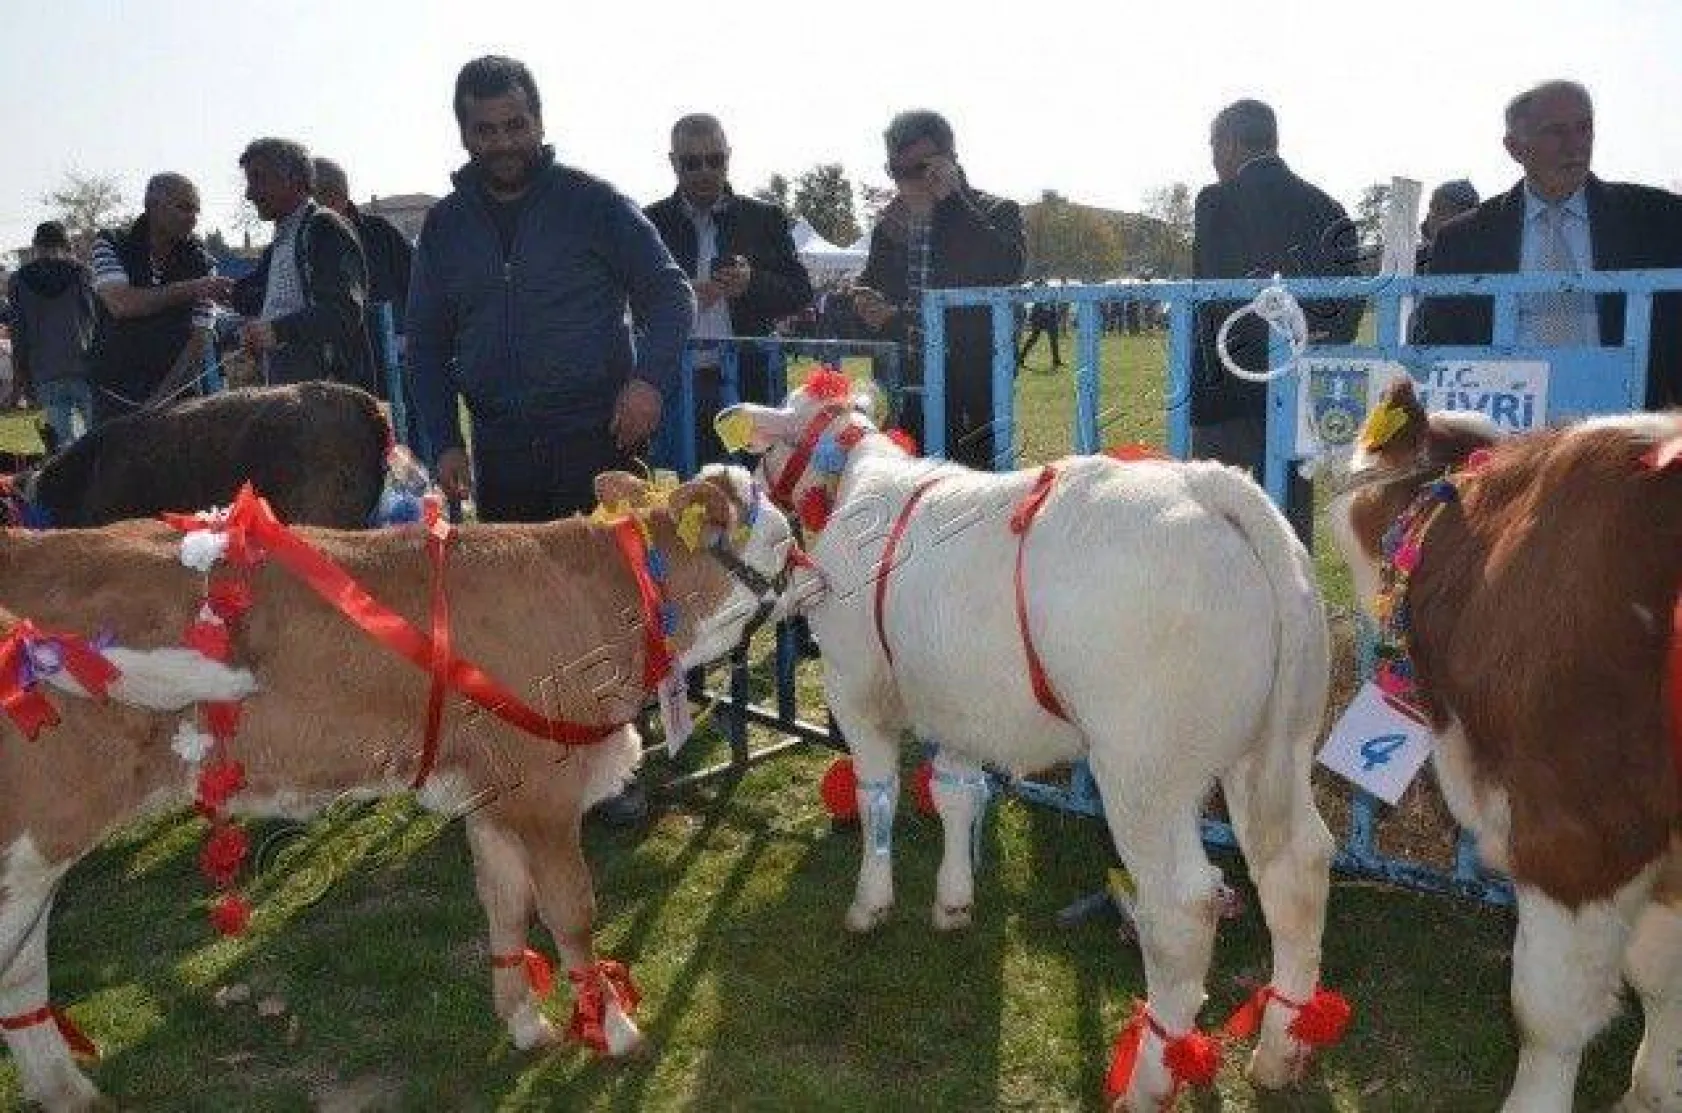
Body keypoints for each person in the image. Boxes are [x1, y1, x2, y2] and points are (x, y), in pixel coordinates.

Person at [405, 57, 692, 824]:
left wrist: (649, 384)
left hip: (596, 436)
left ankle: (615, 774)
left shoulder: (593, 204)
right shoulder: (445, 225)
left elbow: (668, 293)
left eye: (515, 125)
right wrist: (442, 440)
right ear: (463, 131)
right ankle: (529, 763)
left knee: (607, 608)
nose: (502, 142)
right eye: (485, 129)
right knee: (515, 613)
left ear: (538, 121)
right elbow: (426, 346)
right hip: (500, 445)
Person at [1414, 80, 1682, 410]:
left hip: (1627, 434)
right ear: (1514, 148)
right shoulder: (1463, 240)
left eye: (1584, 128)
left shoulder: (1661, 219)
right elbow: (1443, 346)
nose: (1575, 146)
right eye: (1555, 132)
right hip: (1509, 434)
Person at [1191, 98, 1362, 544]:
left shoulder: (1216, 201)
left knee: (1217, 527)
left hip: (1227, 390)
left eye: (1212, 145)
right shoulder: (1329, 207)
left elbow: (1215, 294)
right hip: (1296, 386)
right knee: (1287, 523)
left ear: (1228, 144)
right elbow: (1347, 307)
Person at [850, 110, 1025, 470]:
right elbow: (873, 287)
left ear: (951, 160)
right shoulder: (892, 225)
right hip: (909, 387)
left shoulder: (996, 210)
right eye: (897, 172)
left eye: (921, 169)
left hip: (975, 392)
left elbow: (1004, 269)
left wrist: (951, 202)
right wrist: (865, 300)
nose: (908, 182)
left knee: (980, 502)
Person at [645, 114, 812, 468]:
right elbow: (628, 296)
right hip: (674, 386)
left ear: (729, 157)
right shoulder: (650, 222)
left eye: (715, 160)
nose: (705, 171)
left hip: (744, 384)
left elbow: (800, 291)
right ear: (673, 163)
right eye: (692, 162)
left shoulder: (764, 218)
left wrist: (752, 284)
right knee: (675, 485)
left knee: (747, 488)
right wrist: (677, 295)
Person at [233, 139, 376, 394]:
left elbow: (344, 312)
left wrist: (278, 330)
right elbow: (259, 298)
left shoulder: (323, 228)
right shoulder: (284, 239)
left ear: (295, 180)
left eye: (258, 179)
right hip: (295, 396)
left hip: (330, 396)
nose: (249, 193)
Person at [87, 173, 231, 425]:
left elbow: (199, 339)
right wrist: (193, 288)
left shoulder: (204, 263)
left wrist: (160, 399)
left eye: (196, 210)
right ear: (153, 206)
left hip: (176, 400)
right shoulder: (110, 243)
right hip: (112, 397)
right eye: (183, 207)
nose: (193, 218)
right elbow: (121, 304)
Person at [311, 156, 415, 352]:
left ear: (332, 196)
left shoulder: (380, 233)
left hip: (393, 352)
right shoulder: (300, 240)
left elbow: (417, 285)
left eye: (309, 197)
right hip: (334, 360)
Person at [6, 221, 96, 446]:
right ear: (66, 244)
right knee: (100, 445)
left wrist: (20, 384)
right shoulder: (82, 274)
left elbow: (18, 335)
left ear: (36, 245)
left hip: (44, 375)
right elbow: (98, 321)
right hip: (86, 369)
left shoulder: (18, 281)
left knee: (62, 452)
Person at [1415, 179, 1480, 271]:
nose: (1432, 215)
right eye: (1432, 208)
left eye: (1441, 209)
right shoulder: (1414, 258)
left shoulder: (1483, 259)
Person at [1016, 279, 1064, 369]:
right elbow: (1035, 310)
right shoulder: (1036, 295)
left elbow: (1054, 306)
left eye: (1045, 285)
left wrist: (1055, 316)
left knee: (1054, 340)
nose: (1044, 286)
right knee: (1033, 339)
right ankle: (1020, 359)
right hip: (1040, 319)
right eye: (1042, 285)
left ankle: (1056, 361)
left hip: (1050, 319)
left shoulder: (1049, 293)